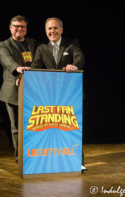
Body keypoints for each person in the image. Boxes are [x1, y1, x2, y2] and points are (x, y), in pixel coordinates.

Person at [31, 17, 87, 173]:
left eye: (55, 28)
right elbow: (35, 67)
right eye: (49, 29)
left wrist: (74, 65)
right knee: (54, 130)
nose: (52, 31)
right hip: (51, 97)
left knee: (73, 129)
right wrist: (23, 78)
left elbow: (79, 58)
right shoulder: (41, 48)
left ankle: (78, 162)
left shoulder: (71, 43)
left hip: (71, 94)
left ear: (61, 30)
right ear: (46, 31)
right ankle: (56, 161)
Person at [0, 15, 36, 164]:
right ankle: (21, 158)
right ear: (10, 28)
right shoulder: (3, 45)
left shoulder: (32, 43)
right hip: (13, 90)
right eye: (16, 26)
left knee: (34, 125)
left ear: (26, 29)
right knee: (17, 127)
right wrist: (18, 69)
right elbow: (6, 60)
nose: (19, 29)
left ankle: (34, 153)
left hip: (33, 89)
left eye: (23, 27)